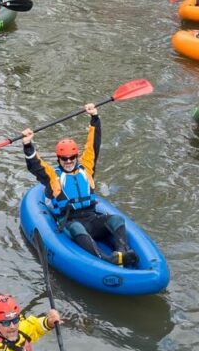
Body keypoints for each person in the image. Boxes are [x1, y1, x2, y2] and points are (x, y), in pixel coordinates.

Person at [22, 104, 137, 266]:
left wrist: (94, 118)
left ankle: (123, 252)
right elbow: (35, 165)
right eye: (64, 158)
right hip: (70, 221)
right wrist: (28, 145)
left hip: (92, 217)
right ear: (59, 159)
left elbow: (93, 146)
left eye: (71, 157)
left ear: (76, 156)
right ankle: (105, 258)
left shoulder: (86, 169)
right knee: (77, 228)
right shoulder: (53, 176)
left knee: (117, 219)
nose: (68, 161)